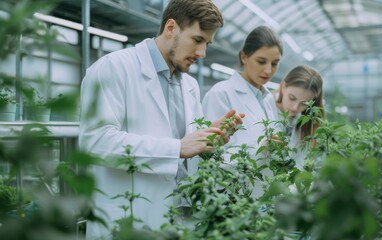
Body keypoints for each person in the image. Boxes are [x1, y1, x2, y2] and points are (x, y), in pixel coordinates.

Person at [78, 0, 244, 238]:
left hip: (181, 221)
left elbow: (185, 154)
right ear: (170, 28)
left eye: (207, 43)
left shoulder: (190, 85)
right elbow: (94, 143)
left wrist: (208, 139)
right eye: (197, 40)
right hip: (130, 220)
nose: (202, 53)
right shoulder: (113, 68)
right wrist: (177, 148)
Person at [202, 25, 283, 197]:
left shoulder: (268, 100)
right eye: (261, 61)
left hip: (265, 195)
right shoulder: (221, 93)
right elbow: (209, 156)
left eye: (274, 64)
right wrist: (260, 149)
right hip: (232, 196)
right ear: (244, 57)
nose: (269, 70)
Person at [274, 64, 325, 170]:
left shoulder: (307, 123)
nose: (295, 107)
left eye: (304, 103)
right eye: (292, 98)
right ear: (283, 87)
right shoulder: (265, 107)